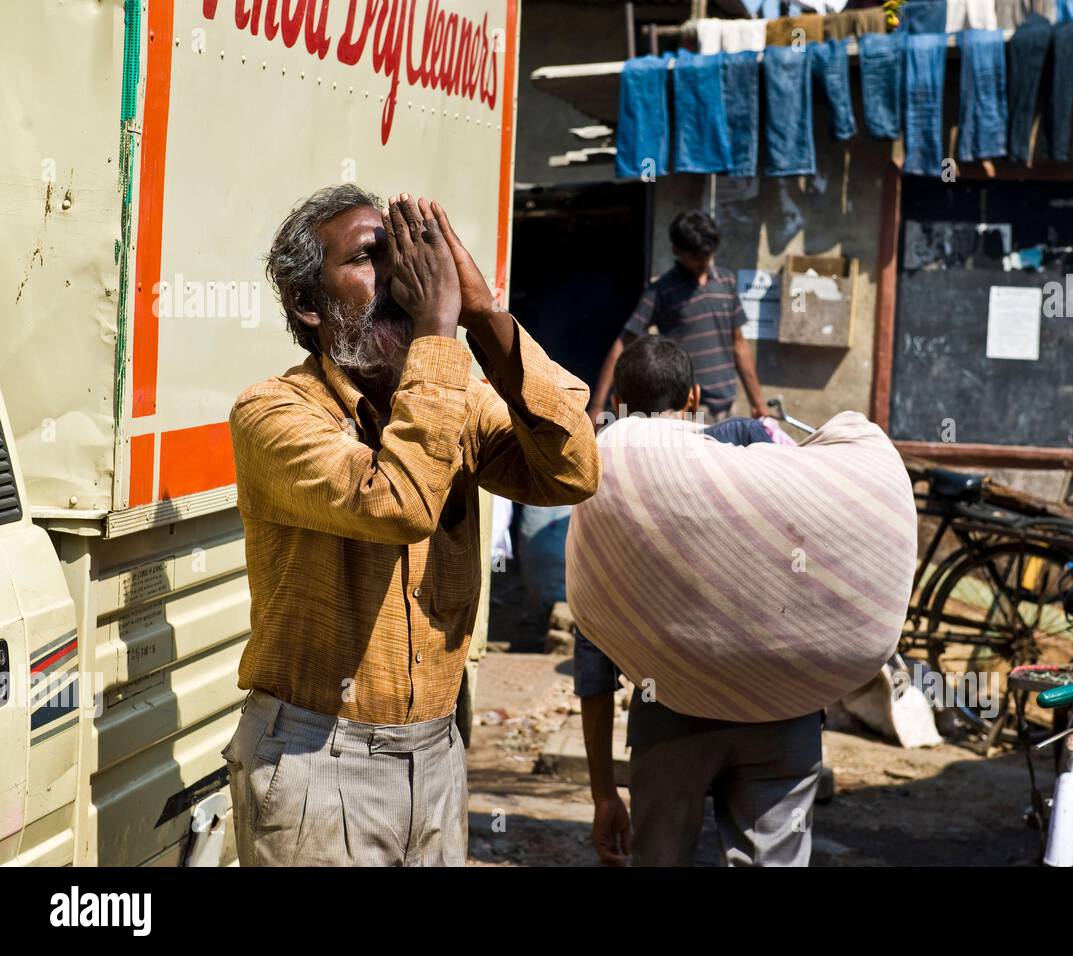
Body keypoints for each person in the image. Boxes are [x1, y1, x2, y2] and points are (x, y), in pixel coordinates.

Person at [224, 185, 600, 866]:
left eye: (408, 257)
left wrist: (483, 314)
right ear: (310, 305)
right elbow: (398, 502)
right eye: (372, 259)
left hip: (435, 753)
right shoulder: (273, 413)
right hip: (319, 760)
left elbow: (571, 469)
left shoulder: (447, 395)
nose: (402, 280)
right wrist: (436, 333)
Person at [575, 336, 822, 867]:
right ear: (694, 397)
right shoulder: (755, 449)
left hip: (672, 716)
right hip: (783, 708)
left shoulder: (608, 492)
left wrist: (602, 793)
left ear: (617, 406)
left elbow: (592, 656)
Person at [587, 211, 765, 427]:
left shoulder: (726, 281)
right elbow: (624, 343)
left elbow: (739, 344)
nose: (703, 262)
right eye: (696, 257)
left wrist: (757, 403)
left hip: (728, 407)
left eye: (707, 255)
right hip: (691, 410)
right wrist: (597, 405)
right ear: (677, 251)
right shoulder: (661, 291)